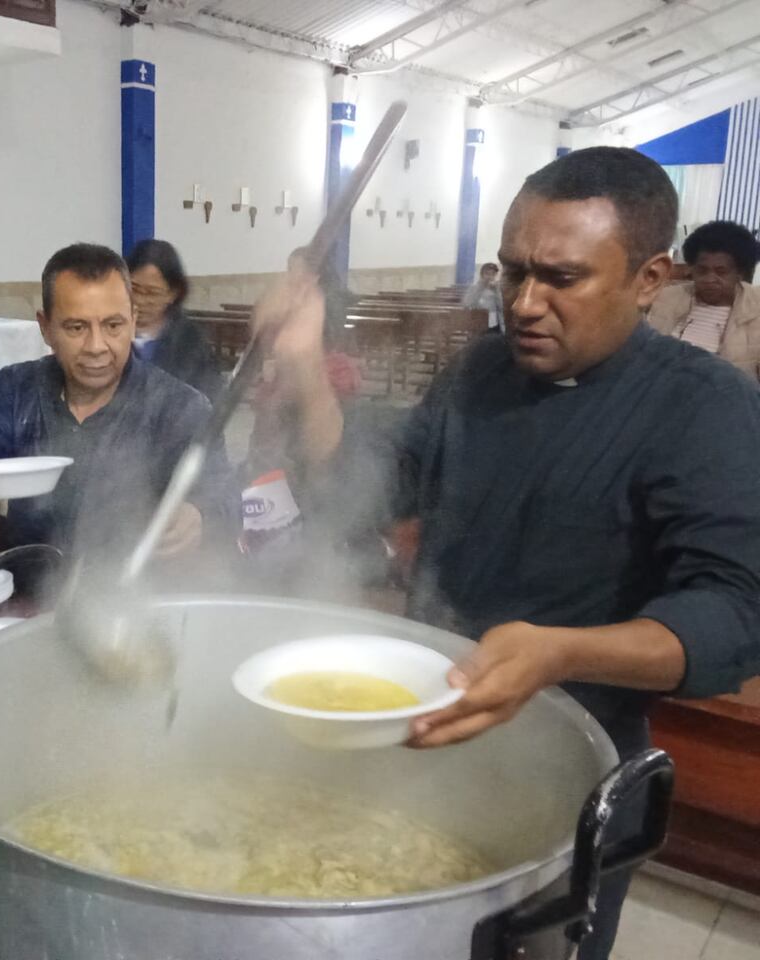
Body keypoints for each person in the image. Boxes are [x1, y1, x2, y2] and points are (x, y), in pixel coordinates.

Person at [259, 147, 760, 960]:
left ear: (648, 277)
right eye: (512, 271)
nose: (525, 303)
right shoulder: (481, 370)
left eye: (562, 278)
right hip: (425, 736)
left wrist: (558, 651)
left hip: (571, 765)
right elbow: (364, 491)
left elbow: (734, 615)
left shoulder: (705, 408)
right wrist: (305, 365)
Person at [0, 243, 238, 560]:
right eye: (76, 327)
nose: (96, 346)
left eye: (113, 325)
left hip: (132, 598)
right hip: (29, 591)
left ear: (133, 320)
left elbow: (225, 496)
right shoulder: (19, 388)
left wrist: (200, 514)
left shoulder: (180, 407)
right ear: (46, 328)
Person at [647, 219, 760, 378]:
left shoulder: (756, 307)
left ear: (739, 273)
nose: (709, 279)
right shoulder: (666, 298)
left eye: (721, 272)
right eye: (702, 270)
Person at [125, 239, 221, 401]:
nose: (139, 300)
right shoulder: (108, 333)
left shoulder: (190, 342)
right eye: (134, 289)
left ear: (173, 293)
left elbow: (209, 398)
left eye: (152, 293)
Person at [461, 261, 504, 330]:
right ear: (481, 275)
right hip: (478, 324)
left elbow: (501, 307)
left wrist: (497, 291)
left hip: (495, 324)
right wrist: (481, 287)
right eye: (487, 274)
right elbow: (467, 304)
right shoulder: (474, 288)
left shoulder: (498, 288)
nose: (490, 277)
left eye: (493, 274)